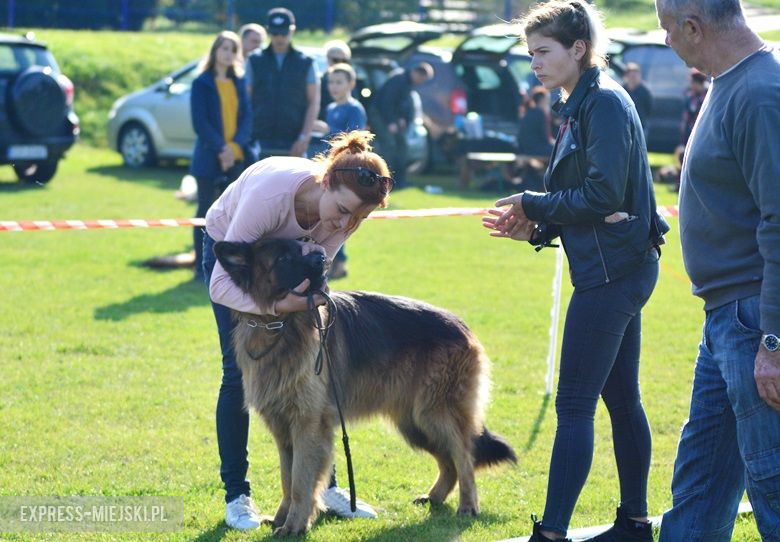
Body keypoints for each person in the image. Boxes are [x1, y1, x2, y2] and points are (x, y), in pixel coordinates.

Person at [482, 1, 668, 540]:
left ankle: (552, 533)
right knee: (620, 399)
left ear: (578, 48)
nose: (533, 63)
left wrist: (534, 205)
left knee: (574, 406)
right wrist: (537, 228)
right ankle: (635, 523)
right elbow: (589, 200)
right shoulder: (581, 102)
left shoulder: (602, 102)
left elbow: (604, 193)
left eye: (543, 52)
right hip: (616, 266)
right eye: (530, 53)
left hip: (614, 274)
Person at [203, 130, 391, 529]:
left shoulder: (345, 217)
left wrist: (306, 302)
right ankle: (238, 495)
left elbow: (319, 278)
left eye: (357, 218)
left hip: (288, 268)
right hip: (238, 259)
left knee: (313, 379)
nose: (343, 223)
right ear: (327, 182)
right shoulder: (271, 195)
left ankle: (322, 489)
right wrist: (277, 305)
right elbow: (220, 286)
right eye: (342, 210)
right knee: (237, 375)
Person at [653, 0, 780, 540]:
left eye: (665, 30)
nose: (665, 43)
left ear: (693, 27)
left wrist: (773, 342)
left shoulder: (758, 93)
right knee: (701, 485)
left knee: (773, 487)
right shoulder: (730, 83)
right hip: (728, 318)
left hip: (754, 320)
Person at [190, 31, 251, 281]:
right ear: (215, 50)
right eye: (223, 48)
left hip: (236, 158)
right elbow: (200, 122)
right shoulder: (201, 82)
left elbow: (247, 119)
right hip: (208, 157)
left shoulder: (239, 81)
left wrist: (234, 148)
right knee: (205, 211)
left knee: (235, 215)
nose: (227, 53)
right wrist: (221, 149)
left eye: (232, 49)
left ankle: (227, 268)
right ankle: (199, 266)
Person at [245, 7, 319, 159]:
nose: (279, 38)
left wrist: (304, 137)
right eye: (275, 33)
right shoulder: (254, 60)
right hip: (260, 139)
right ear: (268, 31)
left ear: (292, 30)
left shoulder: (306, 62)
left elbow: (313, 102)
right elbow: (246, 100)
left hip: (294, 141)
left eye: (283, 33)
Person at [319, 63, 367, 280]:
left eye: (339, 82)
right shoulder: (330, 108)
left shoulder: (354, 108)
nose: (333, 87)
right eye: (331, 82)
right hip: (330, 170)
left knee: (340, 215)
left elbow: (353, 141)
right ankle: (328, 260)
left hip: (346, 173)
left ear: (351, 84)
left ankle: (340, 260)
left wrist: (326, 131)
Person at [371, 62, 433, 188]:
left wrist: (401, 119)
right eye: (422, 79)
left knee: (402, 147)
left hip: (393, 118)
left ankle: (400, 180)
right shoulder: (398, 80)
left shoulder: (407, 83)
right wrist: (391, 122)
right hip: (380, 115)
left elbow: (401, 104)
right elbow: (386, 102)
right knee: (389, 145)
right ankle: (386, 179)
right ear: (416, 72)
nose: (421, 82)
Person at [516, 85, 555, 157]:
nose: (549, 103)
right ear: (542, 100)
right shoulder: (539, 113)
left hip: (526, 149)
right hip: (534, 149)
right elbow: (545, 138)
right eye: (547, 100)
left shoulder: (530, 112)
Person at [319, 40, 352, 121]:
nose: (340, 63)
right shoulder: (318, 83)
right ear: (327, 59)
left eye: (344, 60)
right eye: (336, 60)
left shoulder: (351, 81)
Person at [621, 63, 653, 131]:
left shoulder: (644, 91)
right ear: (626, 76)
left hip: (641, 126)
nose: (633, 78)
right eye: (631, 76)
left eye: (636, 75)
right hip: (625, 126)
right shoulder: (621, 90)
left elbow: (649, 108)